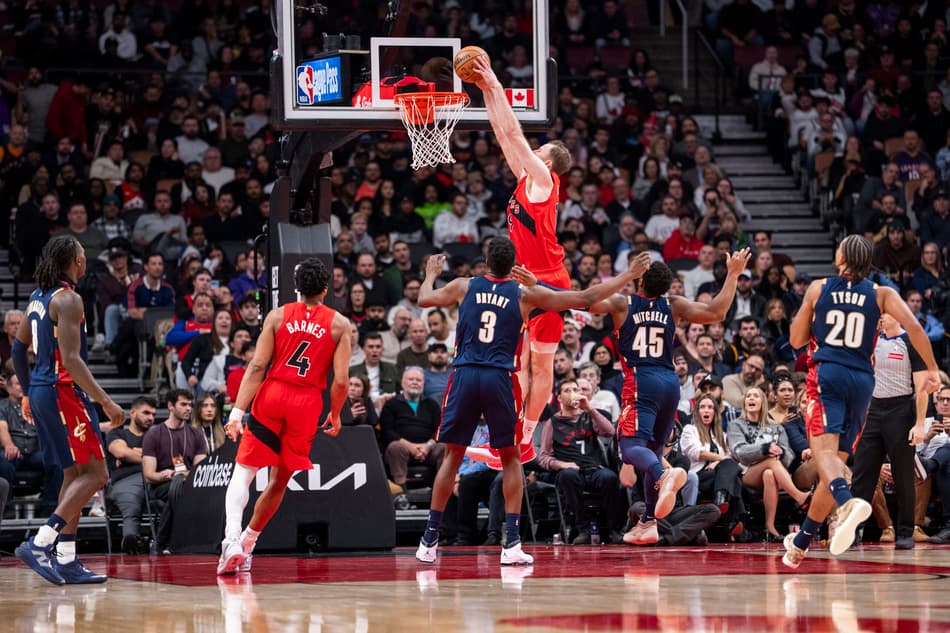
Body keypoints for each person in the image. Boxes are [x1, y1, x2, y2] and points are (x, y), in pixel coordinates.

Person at [414, 237, 652, 565]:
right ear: (514, 266)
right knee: (511, 459)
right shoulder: (525, 293)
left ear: (485, 261)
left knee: (452, 457)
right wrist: (629, 274)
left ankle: (429, 540)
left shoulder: (463, 286)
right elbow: (585, 298)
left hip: (465, 376)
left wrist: (430, 273)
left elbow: (424, 298)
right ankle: (511, 544)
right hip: (500, 378)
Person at [782, 235, 941, 569]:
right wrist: (932, 369)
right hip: (863, 382)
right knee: (835, 464)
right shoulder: (881, 293)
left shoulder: (819, 287)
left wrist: (812, 315)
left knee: (824, 455)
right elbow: (914, 327)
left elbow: (796, 339)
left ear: (840, 257)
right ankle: (801, 542)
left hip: (828, 375)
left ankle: (847, 502)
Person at [589, 248, 751, 545]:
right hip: (670, 381)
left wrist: (625, 275)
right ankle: (649, 522)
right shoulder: (673, 304)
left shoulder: (622, 303)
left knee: (631, 450)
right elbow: (717, 312)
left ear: (640, 282)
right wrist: (733, 274)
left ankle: (663, 474)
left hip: (641, 380)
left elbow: (588, 300)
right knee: (653, 447)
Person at [469, 54, 574, 462]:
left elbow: (514, 133)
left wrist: (494, 83)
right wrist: (484, 94)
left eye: (539, 148)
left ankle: (523, 441)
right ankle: (511, 441)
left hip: (546, 281)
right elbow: (503, 133)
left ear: (546, 161)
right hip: (524, 280)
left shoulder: (545, 179)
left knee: (539, 366)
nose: (532, 150)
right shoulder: (527, 179)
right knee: (519, 366)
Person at [217, 257, 350, 575]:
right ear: (326, 288)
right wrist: (335, 413)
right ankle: (249, 543)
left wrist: (237, 411)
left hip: (274, 394)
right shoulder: (339, 324)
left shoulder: (277, 316)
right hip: (306, 404)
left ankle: (232, 538)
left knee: (245, 470)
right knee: (280, 479)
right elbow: (342, 380)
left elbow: (257, 366)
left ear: (296, 287)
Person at [12, 235, 126, 585]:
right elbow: (73, 361)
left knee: (73, 475)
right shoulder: (69, 299)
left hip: (44, 392)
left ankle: (67, 559)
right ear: (75, 260)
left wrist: (28, 392)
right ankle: (41, 542)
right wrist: (105, 400)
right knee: (97, 474)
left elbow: (18, 349)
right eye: (82, 254)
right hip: (65, 394)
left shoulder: (37, 298)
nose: (85, 260)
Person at [850, 313, 931, 549]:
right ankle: (854, 530)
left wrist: (918, 424)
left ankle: (905, 531)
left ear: (897, 316)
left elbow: (922, 388)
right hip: (873, 411)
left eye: (884, 315)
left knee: (903, 474)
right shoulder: (871, 341)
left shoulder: (911, 342)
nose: (880, 319)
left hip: (901, 410)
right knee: (863, 475)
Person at [106, 396, 157, 554]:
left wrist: (132, 454)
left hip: (154, 479)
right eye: (146, 413)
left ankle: (164, 543)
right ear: (133, 412)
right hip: (125, 481)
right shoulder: (117, 433)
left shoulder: (156, 435)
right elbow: (120, 451)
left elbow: (168, 456)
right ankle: (131, 539)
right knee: (131, 502)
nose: (150, 418)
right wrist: (151, 457)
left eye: (153, 414)